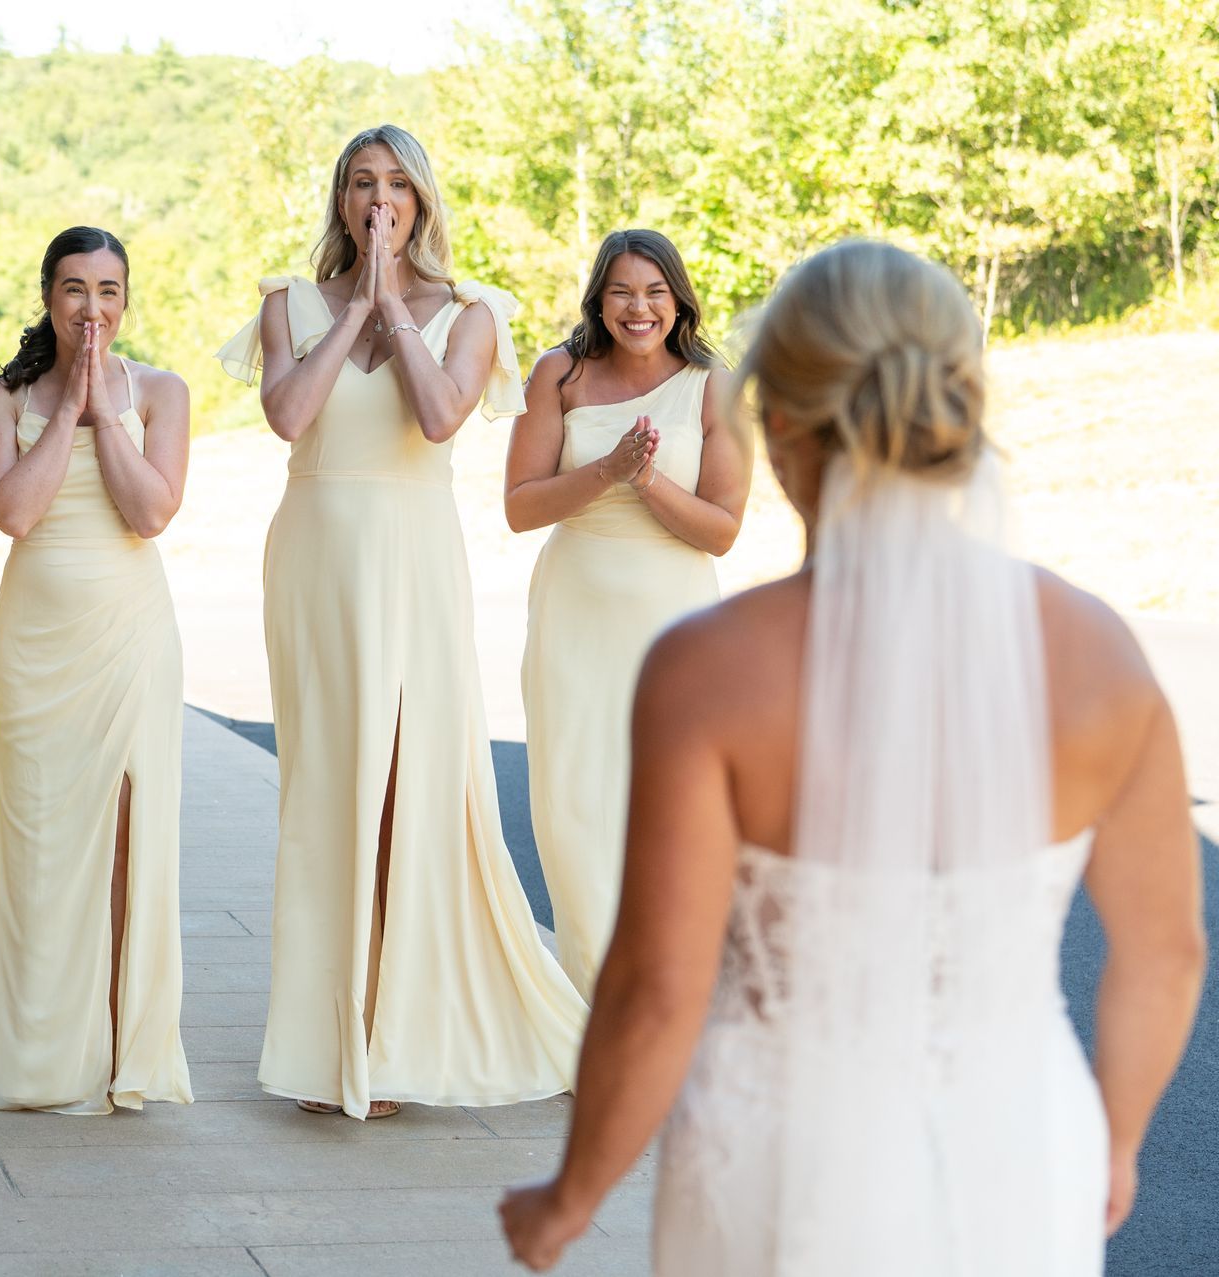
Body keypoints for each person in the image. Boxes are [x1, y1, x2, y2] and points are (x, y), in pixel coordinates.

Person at [499, 239, 1207, 1274]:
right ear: (961, 409)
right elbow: (1167, 950)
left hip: (776, 1158)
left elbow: (657, 986)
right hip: (1023, 1150)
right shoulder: (1099, 649)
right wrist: (1120, 1140)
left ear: (776, 422)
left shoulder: (709, 666)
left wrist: (573, 1194)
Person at [218, 124, 586, 1121]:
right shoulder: (288, 303)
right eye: (361, 183)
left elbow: (436, 418)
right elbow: (290, 416)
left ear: (423, 201)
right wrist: (356, 309)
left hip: (414, 559)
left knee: (408, 784)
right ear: (341, 199)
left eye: (397, 185)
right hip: (316, 559)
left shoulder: (472, 313)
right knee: (332, 789)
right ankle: (333, 1037)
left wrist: (396, 303)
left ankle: (397, 1031)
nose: (379, 200)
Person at [0, 226, 192, 1114]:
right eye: (77, 290)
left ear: (128, 300)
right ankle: (44, 1052)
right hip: (36, 641)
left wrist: (101, 413)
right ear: (48, 296)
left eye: (110, 291)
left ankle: (126, 1047)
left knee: (130, 837)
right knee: (43, 844)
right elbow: (12, 511)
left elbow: (150, 512)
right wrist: (65, 410)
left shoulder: (162, 392)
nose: (94, 309)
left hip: (129, 633)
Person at [507, 228, 748, 996]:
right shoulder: (560, 374)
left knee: (667, 813)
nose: (637, 308)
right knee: (575, 809)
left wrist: (645, 482)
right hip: (574, 613)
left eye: (653, 291)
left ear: (678, 298)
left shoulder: (714, 385)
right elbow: (519, 506)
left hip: (672, 623)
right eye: (620, 291)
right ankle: (592, 1009)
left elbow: (722, 528)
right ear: (598, 299)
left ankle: (663, 1002)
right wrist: (606, 472)